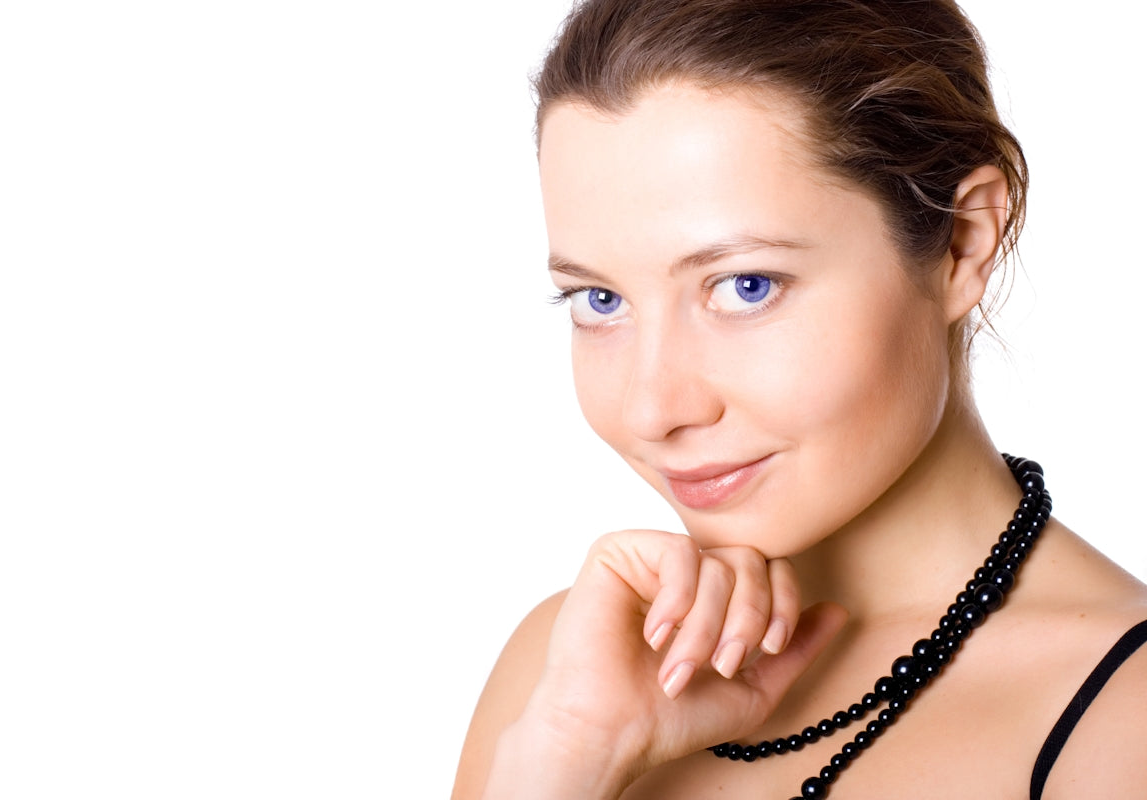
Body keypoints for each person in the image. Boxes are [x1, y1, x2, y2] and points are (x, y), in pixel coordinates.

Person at [452, 1, 1147, 797]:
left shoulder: (1123, 722)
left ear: (962, 242)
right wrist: (566, 760)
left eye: (745, 286)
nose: (653, 409)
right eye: (599, 301)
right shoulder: (566, 678)